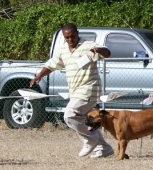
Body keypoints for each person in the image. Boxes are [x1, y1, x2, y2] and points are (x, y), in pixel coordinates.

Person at [30, 23, 114, 158]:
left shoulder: (88, 45)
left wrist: (99, 50)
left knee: (69, 115)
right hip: (75, 91)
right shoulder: (63, 49)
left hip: (89, 88)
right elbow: (52, 64)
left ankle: (90, 140)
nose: (70, 40)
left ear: (77, 33)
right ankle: (103, 148)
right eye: (67, 37)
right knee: (84, 120)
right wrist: (39, 76)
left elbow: (107, 53)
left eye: (73, 36)